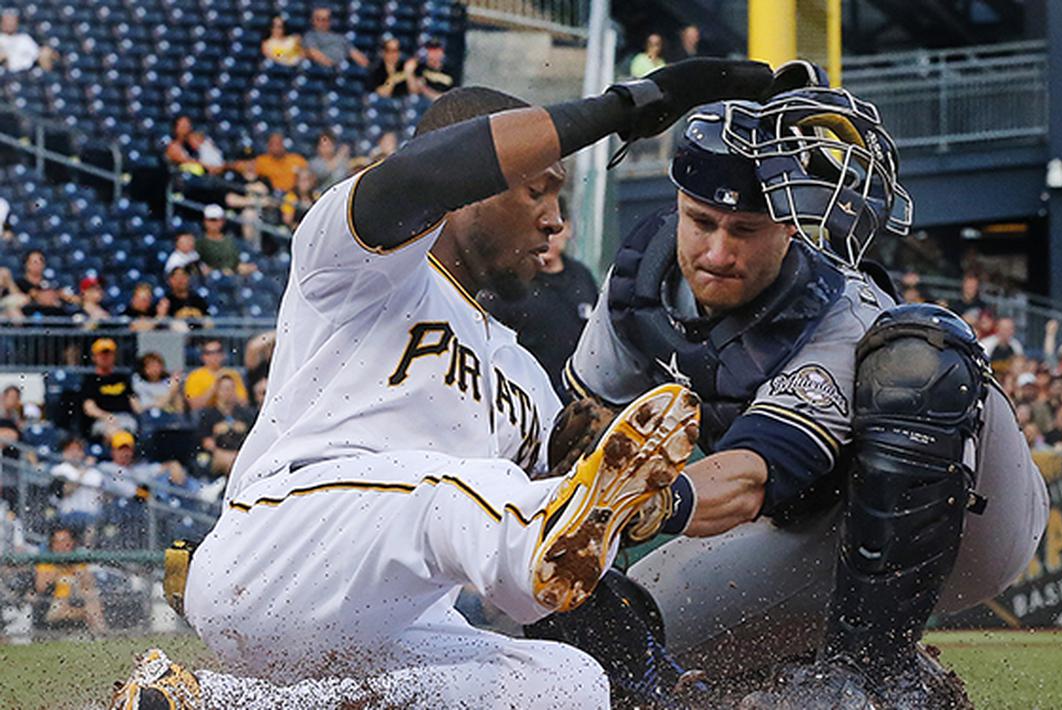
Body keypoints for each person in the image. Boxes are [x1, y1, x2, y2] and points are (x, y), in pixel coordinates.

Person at [112, 59, 773, 709]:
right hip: (278, 557)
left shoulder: (526, 381)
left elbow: (554, 572)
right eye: (536, 188)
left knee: (565, 683)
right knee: (452, 487)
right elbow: (427, 171)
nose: (554, 221)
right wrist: (622, 107)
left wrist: (649, 506)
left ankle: (216, 703)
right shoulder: (354, 267)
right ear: (469, 189)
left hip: (391, 625)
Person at [529, 76, 1045, 707]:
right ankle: (785, 670)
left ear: (792, 228)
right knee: (609, 645)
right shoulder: (640, 278)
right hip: (808, 530)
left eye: (745, 229)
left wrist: (651, 503)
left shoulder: (837, 312)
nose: (718, 251)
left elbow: (751, 475)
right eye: (701, 221)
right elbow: (581, 420)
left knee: (919, 355)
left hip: (969, 516)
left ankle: (878, 679)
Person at [483, 196, 599, 400]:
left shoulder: (581, 276)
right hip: (529, 404)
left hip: (579, 402)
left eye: (556, 230)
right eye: (541, 229)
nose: (549, 239)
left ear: (568, 229)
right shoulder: (510, 284)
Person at [33, 527, 108, 635]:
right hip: (53, 605)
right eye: (57, 542)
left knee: (90, 594)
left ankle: (101, 633)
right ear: (52, 545)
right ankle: (97, 628)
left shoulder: (76, 561)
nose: (61, 546)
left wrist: (77, 570)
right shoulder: (47, 562)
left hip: (75, 601)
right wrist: (59, 568)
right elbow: (40, 587)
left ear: (72, 543)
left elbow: (90, 584)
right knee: (67, 582)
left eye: (65, 542)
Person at [196, 373, 255, 478]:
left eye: (231, 388)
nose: (229, 392)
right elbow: (206, 443)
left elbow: (253, 438)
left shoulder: (245, 414)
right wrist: (216, 432)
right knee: (232, 463)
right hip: (217, 456)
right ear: (217, 391)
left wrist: (243, 430)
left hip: (240, 454)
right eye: (225, 389)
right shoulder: (209, 414)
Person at [81, 338, 140, 440]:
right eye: (101, 354)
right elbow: (89, 407)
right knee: (112, 431)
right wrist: (107, 416)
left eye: (109, 354)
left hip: (125, 418)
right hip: (102, 420)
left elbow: (134, 400)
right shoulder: (90, 381)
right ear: (94, 357)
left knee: (130, 427)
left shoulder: (122, 378)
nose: (105, 357)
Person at [50, 437, 106, 534]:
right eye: (71, 450)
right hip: (68, 514)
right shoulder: (59, 469)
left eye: (78, 450)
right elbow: (65, 491)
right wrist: (83, 472)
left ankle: (87, 549)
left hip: (93, 514)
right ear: (64, 453)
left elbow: (103, 497)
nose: (75, 453)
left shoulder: (94, 472)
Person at [183, 339, 249, 411]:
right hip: (206, 415)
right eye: (209, 353)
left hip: (232, 413)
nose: (214, 356)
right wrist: (215, 385)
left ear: (223, 355)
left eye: (218, 351)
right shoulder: (194, 376)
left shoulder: (233, 374)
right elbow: (195, 406)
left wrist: (229, 391)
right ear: (203, 357)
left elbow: (244, 404)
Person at [196, 205, 255, 276]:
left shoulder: (233, 242)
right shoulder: (198, 242)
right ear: (205, 221)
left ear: (223, 221)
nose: (214, 223)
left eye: (218, 220)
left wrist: (234, 269)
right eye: (211, 220)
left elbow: (250, 267)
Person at [302, 6, 368, 69]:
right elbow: (315, 54)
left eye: (325, 19)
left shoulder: (341, 38)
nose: (321, 22)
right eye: (318, 19)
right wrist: (335, 66)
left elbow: (358, 56)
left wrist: (363, 63)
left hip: (340, 68)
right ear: (313, 21)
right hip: (324, 71)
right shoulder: (309, 36)